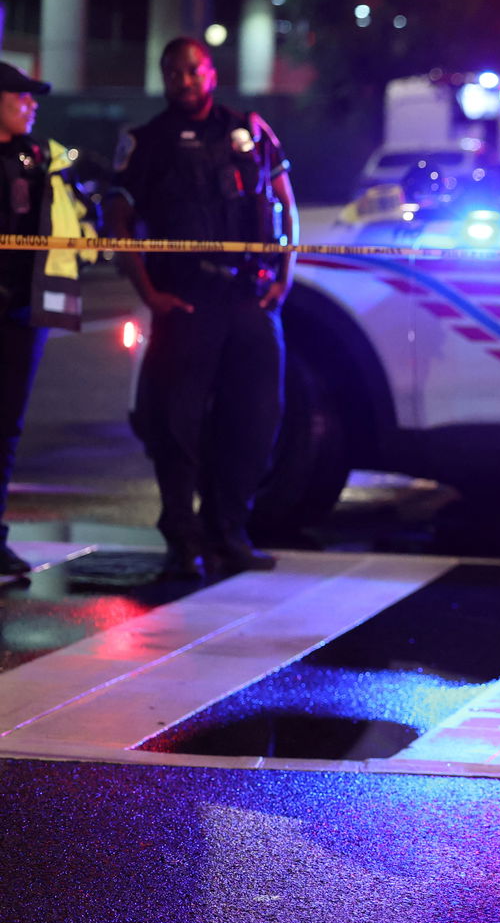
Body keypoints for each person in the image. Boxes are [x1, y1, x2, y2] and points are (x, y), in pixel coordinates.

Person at [105, 37, 297, 581]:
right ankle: (182, 541)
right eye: (173, 72)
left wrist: (284, 275)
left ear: (211, 72)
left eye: (192, 70)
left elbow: (286, 201)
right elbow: (117, 219)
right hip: (186, 301)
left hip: (251, 298)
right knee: (176, 427)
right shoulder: (148, 142)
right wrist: (148, 292)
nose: (183, 80)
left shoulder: (250, 130)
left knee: (255, 421)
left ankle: (228, 533)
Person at [0, 62, 97, 577]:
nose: (31, 105)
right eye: (21, 97)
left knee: (6, 429)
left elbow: (79, 219)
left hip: (21, 311)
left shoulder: (41, 159)